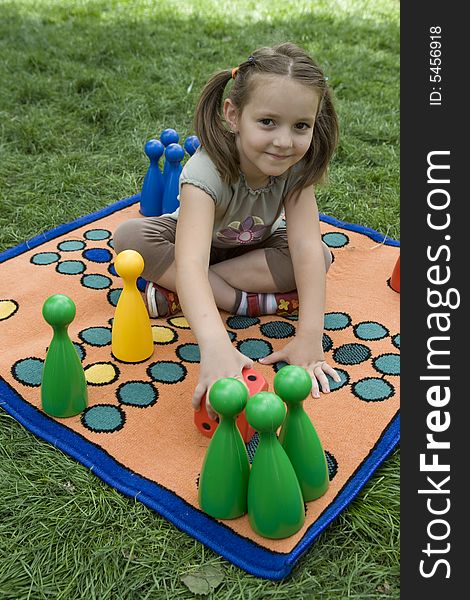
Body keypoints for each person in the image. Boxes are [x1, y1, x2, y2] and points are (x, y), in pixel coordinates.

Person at [114, 42, 341, 418]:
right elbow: (189, 262)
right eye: (267, 122)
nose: (284, 142)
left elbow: (303, 247)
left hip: (257, 246)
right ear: (233, 115)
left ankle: (181, 296)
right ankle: (235, 300)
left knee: (320, 256)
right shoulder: (207, 170)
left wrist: (309, 338)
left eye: (301, 126)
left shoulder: (297, 169)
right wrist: (216, 344)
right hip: (195, 244)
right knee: (130, 239)